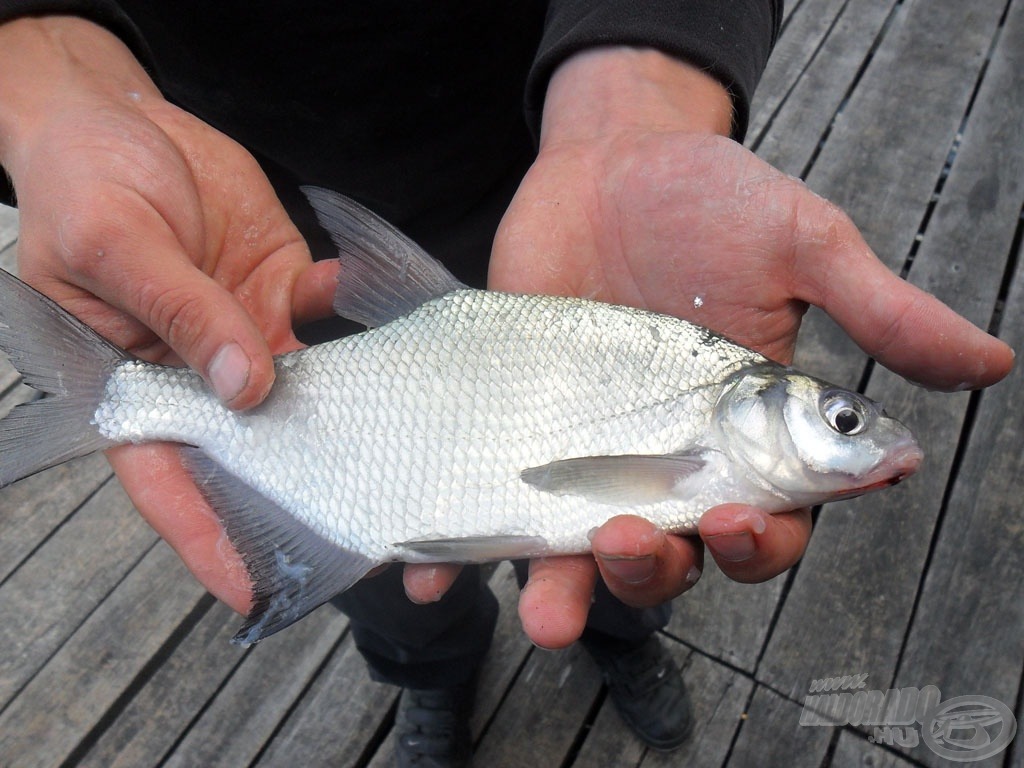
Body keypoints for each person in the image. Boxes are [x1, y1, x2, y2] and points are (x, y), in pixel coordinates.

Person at [0, 4, 1013, 766]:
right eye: (840, 418)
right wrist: (45, 79)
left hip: (548, 174)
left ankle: (621, 647)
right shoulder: (704, 405)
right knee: (401, 599)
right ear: (749, 406)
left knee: (626, 566)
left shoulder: (699, 411)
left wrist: (637, 96)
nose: (856, 434)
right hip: (246, 241)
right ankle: (429, 680)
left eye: (844, 420)